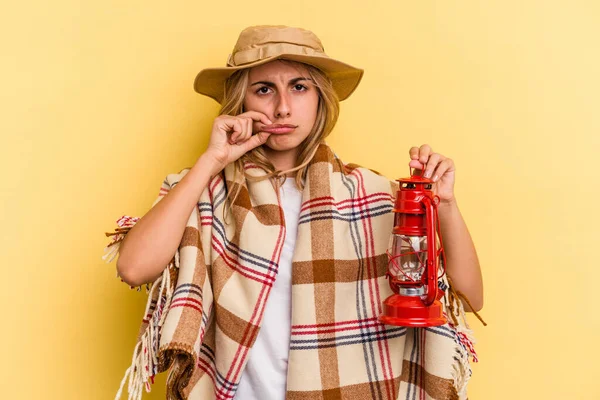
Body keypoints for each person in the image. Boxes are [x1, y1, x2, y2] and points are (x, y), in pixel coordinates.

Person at [103, 25, 484, 400]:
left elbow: (469, 297)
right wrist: (211, 161)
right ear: (242, 101)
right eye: (264, 89)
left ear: (320, 98)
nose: (282, 107)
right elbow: (134, 268)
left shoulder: (375, 196)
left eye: (299, 87)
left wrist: (445, 204)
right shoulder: (202, 191)